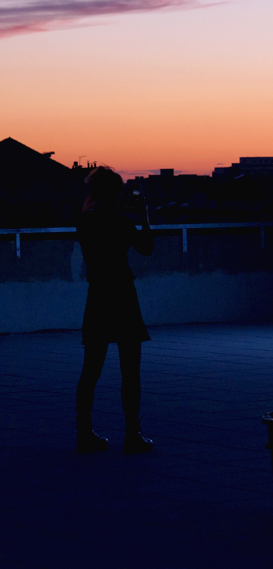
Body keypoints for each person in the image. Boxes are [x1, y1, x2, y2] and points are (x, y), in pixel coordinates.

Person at [75, 167, 155, 454]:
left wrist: (88, 208)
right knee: (130, 371)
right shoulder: (122, 223)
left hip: (98, 298)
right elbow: (147, 248)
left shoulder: (85, 223)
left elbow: (86, 228)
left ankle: (84, 433)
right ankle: (132, 434)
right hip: (122, 297)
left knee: (90, 371)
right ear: (117, 194)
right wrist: (144, 216)